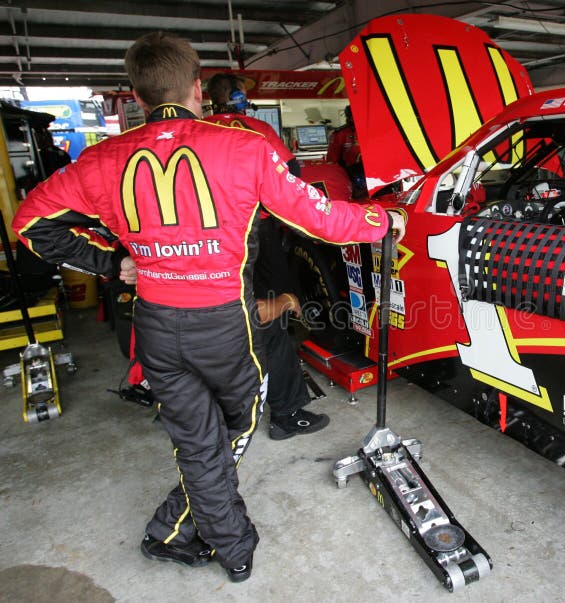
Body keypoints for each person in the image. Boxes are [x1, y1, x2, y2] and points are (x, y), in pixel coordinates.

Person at [12, 31, 405, 583]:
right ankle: (231, 544)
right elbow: (322, 219)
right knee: (235, 429)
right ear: (198, 88)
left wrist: (112, 262)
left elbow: (29, 223)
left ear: (137, 95)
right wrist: (384, 219)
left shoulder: (100, 158)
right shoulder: (245, 147)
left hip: (153, 321)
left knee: (197, 440)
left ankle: (174, 533)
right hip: (222, 323)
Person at [204, 72, 328, 440]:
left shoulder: (196, 130)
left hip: (211, 239)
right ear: (239, 97)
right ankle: (287, 413)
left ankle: (225, 409)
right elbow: (291, 177)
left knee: (221, 315)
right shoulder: (257, 130)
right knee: (273, 314)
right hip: (257, 232)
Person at [327, 105, 366, 198]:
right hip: (351, 178)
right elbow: (332, 162)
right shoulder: (340, 134)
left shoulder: (373, 131)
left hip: (376, 177)